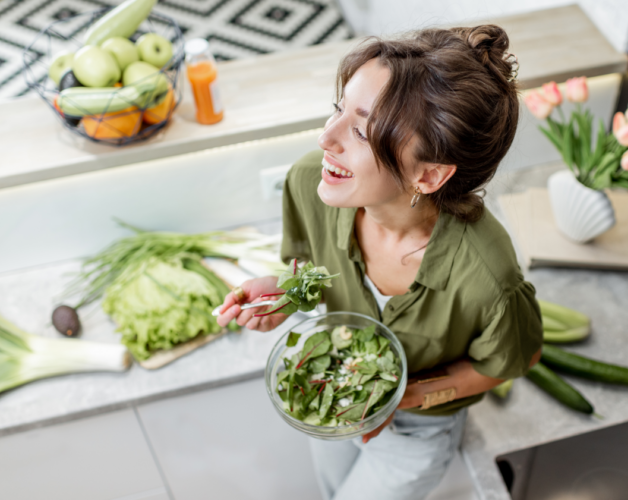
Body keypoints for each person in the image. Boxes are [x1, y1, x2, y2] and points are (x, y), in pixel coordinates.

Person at [216, 24, 543, 500]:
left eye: (361, 130)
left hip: (418, 429)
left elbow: (517, 357)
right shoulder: (312, 181)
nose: (327, 137)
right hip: (337, 379)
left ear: (428, 174)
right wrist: (286, 295)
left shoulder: (488, 275)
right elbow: (308, 267)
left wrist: (398, 397)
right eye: (337, 109)